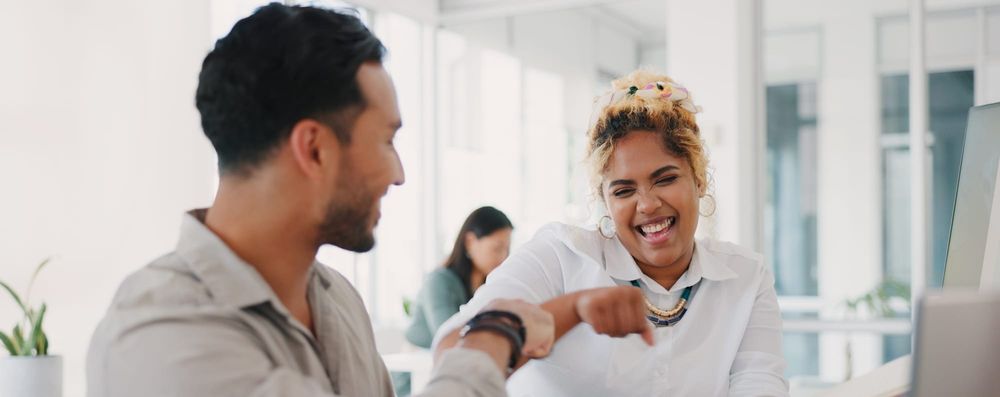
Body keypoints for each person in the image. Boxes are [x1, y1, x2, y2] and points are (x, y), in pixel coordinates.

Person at [83, 4, 590, 396]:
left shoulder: (337, 299)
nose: (400, 174)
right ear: (314, 148)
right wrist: (495, 334)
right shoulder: (160, 334)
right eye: (387, 140)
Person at [435, 70, 789, 396]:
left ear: (698, 180)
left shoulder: (746, 277)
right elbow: (453, 350)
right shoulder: (559, 256)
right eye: (623, 190)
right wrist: (571, 309)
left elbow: (761, 385)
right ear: (604, 200)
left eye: (665, 179)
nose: (647, 204)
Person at [406, 206, 514, 349]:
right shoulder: (438, 281)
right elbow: (448, 336)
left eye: (507, 249)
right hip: (417, 364)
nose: (503, 257)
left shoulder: (487, 284)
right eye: (497, 248)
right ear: (470, 242)